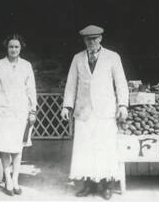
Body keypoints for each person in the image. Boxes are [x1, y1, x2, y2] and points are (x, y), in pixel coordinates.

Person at [61, 25, 129, 200]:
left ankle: (106, 185)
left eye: (94, 38)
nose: (91, 42)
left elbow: (121, 83)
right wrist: (66, 106)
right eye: (87, 39)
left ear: (100, 39)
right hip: (84, 110)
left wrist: (122, 105)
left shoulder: (112, 57)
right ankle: (88, 184)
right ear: (84, 40)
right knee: (85, 148)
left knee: (104, 147)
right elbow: (71, 83)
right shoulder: (78, 58)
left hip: (105, 111)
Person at [0, 34, 37, 196]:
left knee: (17, 147)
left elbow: (31, 89)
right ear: (6, 48)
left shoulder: (26, 65)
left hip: (20, 112)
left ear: (21, 47)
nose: (13, 49)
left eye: (16, 46)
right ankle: (7, 180)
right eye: (11, 47)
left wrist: (33, 110)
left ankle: (15, 180)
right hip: (3, 112)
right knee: (4, 147)